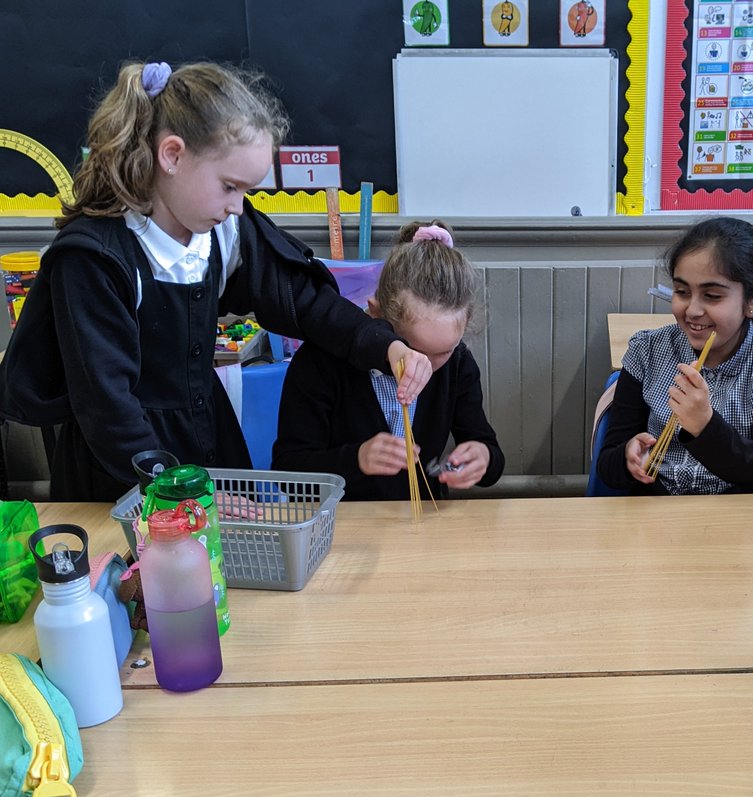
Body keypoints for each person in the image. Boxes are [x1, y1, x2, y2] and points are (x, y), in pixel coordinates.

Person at [0, 61, 432, 503]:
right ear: (172, 155)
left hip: (209, 440)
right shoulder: (95, 259)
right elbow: (107, 407)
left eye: (247, 190)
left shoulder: (223, 231)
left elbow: (306, 302)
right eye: (229, 186)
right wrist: (182, 494)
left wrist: (386, 346)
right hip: (127, 468)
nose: (239, 206)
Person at [272, 221, 504, 501]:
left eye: (443, 352)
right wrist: (356, 459)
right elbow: (288, 472)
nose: (426, 366)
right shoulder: (319, 363)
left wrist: (483, 457)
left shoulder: (457, 364)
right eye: (413, 350)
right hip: (343, 523)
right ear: (376, 315)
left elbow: (490, 458)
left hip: (422, 523)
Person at [596, 217, 753, 494]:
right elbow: (608, 466)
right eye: (682, 291)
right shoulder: (646, 351)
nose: (692, 310)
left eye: (712, 296)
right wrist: (628, 457)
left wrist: (704, 425)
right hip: (656, 515)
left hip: (739, 519)